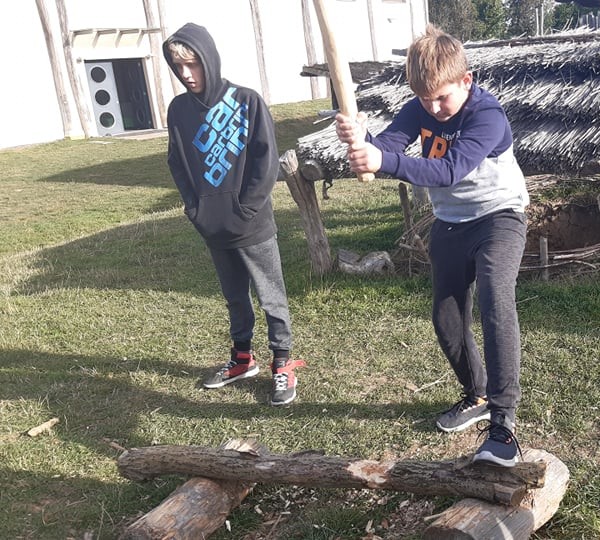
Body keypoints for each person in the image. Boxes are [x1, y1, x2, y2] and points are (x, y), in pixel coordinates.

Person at [335, 25, 529, 467]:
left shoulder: (487, 115)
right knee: (446, 319)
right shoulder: (418, 108)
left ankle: (502, 424)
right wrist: (362, 141)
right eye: (424, 99)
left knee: (496, 300)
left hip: (498, 217)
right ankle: (476, 395)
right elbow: (388, 146)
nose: (434, 108)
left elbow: (449, 171)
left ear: (466, 80)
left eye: (442, 98)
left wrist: (382, 160)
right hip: (451, 223)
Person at [163, 23, 305, 406]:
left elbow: (266, 161)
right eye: (179, 67)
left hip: (253, 224)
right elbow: (177, 163)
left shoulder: (247, 101)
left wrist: (245, 209)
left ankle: (282, 361)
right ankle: (243, 359)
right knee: (234, 298)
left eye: (193, 64)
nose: (187, 74)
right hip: (212, 225)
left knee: (271, 296)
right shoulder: (178, 110)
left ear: (208, 59)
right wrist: (195, 209)